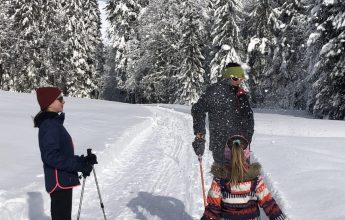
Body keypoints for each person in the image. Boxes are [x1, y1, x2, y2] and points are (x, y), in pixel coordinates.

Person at [33, 86, 98, 220]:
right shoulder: (49, 124)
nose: (63, 101)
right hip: (59, 182)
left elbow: (62, 154)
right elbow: (50, 156)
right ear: (50, 102)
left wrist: (83, 161)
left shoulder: (53, 123)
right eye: (60, 98)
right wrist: (79, 166)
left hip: (62, 180)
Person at [201, 135, 287, 220]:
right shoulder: (255, 179)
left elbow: (213, 209)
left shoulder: (220, 180)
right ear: (246, 154)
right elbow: (269, 204)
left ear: (227, 155)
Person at [192, 62, 254, 164]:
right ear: (230, 77)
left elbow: (248, 118)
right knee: (224, 176)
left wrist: (247, 138)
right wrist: (200, 135)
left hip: (241, 145)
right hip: (221, 145)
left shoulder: (241, 94)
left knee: (244, 177)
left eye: (241, 78)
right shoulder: (214, 91)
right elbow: (198, 109)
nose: (240, 81)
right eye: (237, 78)